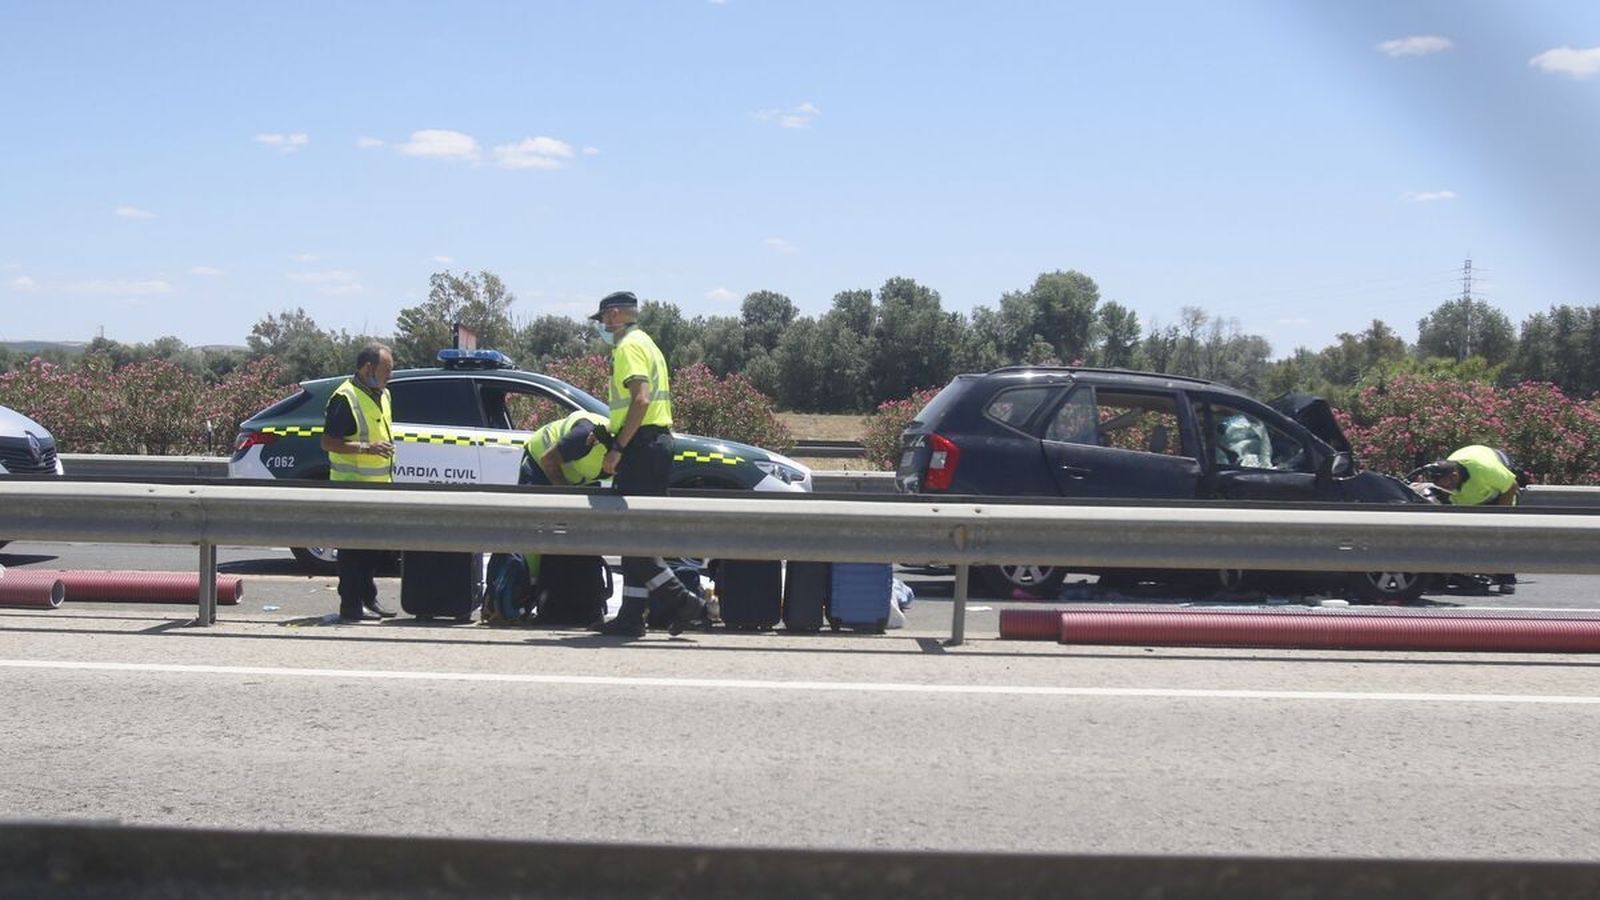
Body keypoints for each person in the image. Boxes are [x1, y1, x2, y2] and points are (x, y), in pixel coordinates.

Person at [586, 290, 707, 637]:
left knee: (632, 538)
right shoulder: (648, 343)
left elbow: (640, 400)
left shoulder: (627, 347)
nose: (604, 325)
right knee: (637, 536)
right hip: (654, 445)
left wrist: (618, 448)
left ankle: (684, 602)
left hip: (641, 447)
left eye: (606, 317)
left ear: (617, 314)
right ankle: (631, 615)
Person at [320, 342, 397, 622]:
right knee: (352, 551)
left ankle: (368, 599)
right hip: (351, 486)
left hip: (378, 487)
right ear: (368, 368)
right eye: (386, 369)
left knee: (371, 550)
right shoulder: (345, 397)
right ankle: (351, 606)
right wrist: (367, 448)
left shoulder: (383, 394)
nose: (390, 375)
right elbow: (328, 442)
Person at [1419, 444, 1527, 594]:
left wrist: (1501, 516)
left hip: (1500, 493)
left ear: (1454, 476)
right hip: (1471, 499)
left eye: (1448, 485)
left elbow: (1511, 486)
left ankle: (1507, 580)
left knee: (1500, 535)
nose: (1448, 488)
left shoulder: (1483, 469)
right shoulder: (1448, 482)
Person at [518, 410, 613, 487]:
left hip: (579, 476)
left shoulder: (624, 459)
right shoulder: (585, 436)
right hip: (541, 463)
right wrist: (570, 498)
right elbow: (548, 461)